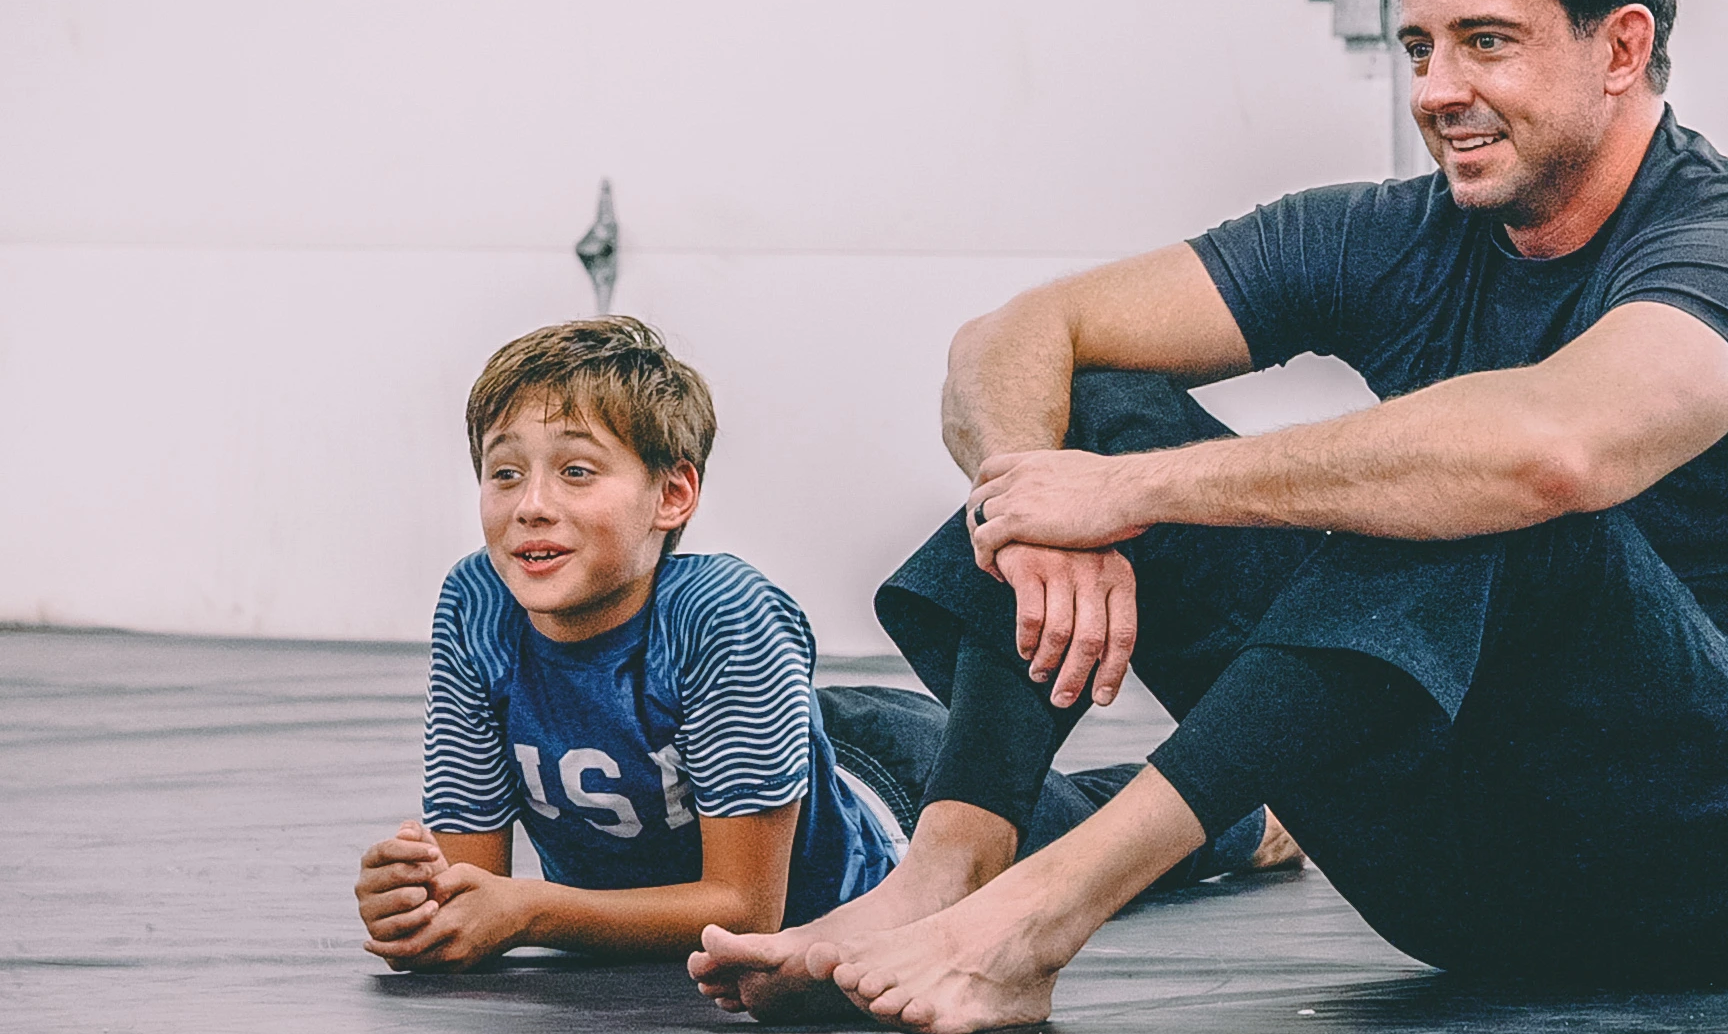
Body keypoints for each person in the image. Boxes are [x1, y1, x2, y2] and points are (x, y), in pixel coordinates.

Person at [690, 0, 1728, 1033]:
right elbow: (1013, 334)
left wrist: (1132, 494)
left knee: (1470, 481)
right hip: (1465, 882)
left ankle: (1042, 914)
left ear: (1621, 47)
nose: (1435, 89)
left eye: (1486, 41)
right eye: (1419, 48)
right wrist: (1048, 509)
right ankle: (946, 873)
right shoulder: (1393, 235)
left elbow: (1552, 450)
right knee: (1093, 409)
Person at [353, 318, 1286, 973]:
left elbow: (744, 911)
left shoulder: (720, 612)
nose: (530, 505)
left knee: (1071, 827)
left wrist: (530, 914)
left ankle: (1260, 820)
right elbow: (476, 887)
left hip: (893, 788)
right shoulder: (476, 603)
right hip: (785, 744)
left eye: (577, 471)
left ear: (672, 496)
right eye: (503, 472)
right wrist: (421, 900)